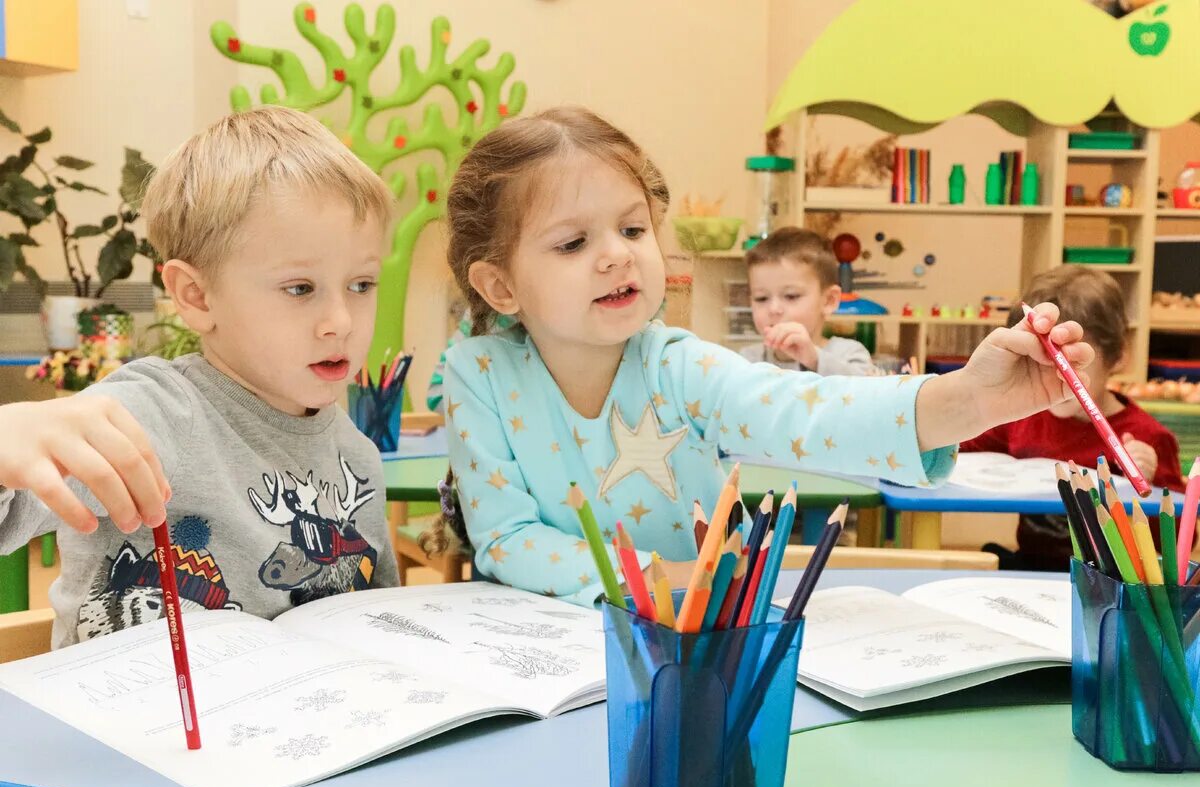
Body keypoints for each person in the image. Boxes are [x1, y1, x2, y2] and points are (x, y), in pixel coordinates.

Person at [420, 105, 1092, 606]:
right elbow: (505, 538)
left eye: (632, 228)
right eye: (572, 242)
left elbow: (810, 414)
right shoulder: (476, 371)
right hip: (545, 651)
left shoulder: (677, 367)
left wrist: (970, 399)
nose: (618, 253)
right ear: (500, 285)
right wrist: (661, 579)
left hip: (699, 648)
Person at [0, 106, 400, 648]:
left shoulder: (357, 459)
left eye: (361, 284)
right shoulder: (154, 412)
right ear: (196, 296)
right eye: (300, 288)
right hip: (131, 724)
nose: (341, 323)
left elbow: (379, 628)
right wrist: (10, 439)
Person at [962, 265, 1183, 570]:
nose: (1054, 378)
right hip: (1032, 569)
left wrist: (1152, 483)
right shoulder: (1022, 417)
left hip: (1111, 581)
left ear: (1118, 355)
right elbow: (957, 446)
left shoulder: (1147, 436)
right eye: (1039, 360)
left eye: (1070, 363)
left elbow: (1177, 542)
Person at [739, 227, 874, 375]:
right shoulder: (747, 361)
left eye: (791, 296)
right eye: (761, 298)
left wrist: (814, 359)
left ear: (829, 300)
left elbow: (863, 390)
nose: (774, 309)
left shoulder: (849, 354)